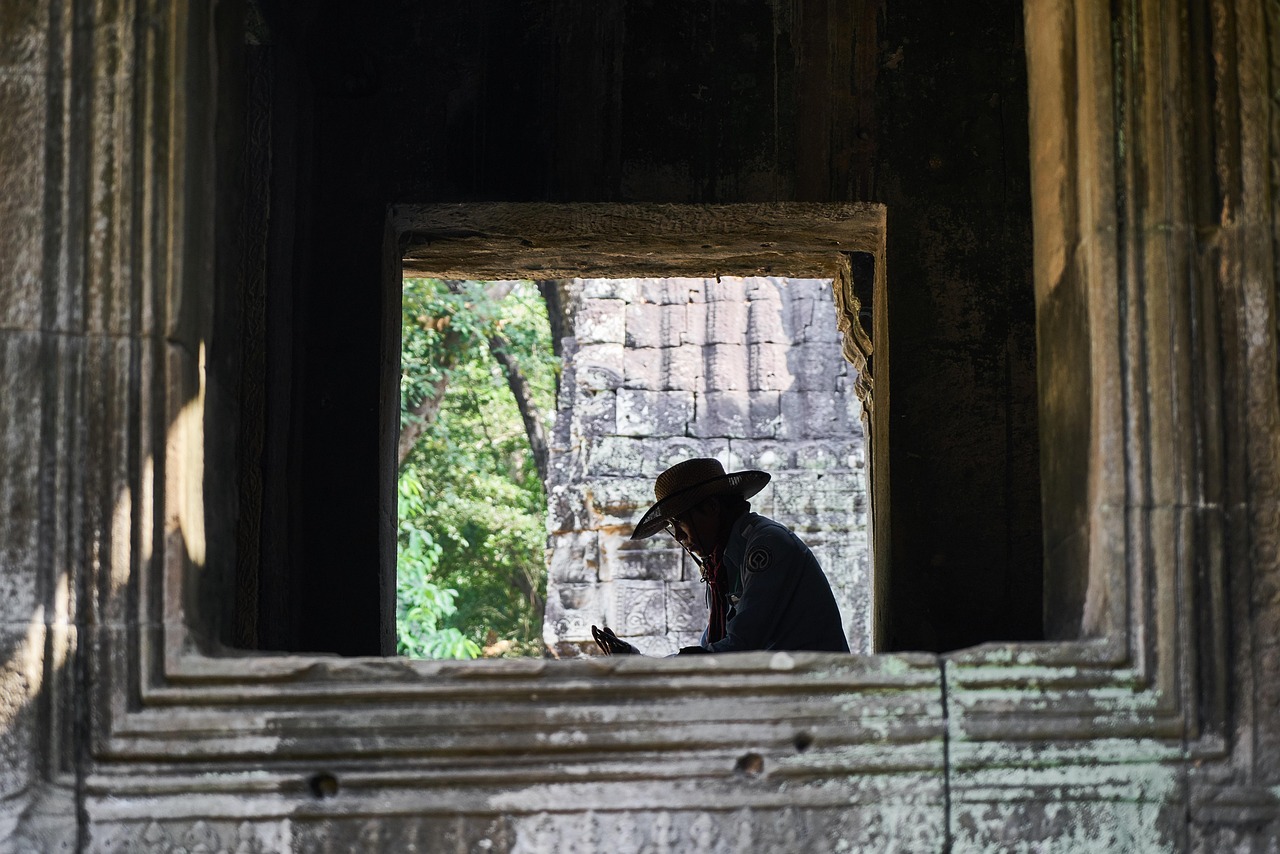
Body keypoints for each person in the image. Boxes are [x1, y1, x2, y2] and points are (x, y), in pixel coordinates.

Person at [592, 458, 849, 656]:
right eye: (672, 526)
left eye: (681, 522)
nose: (679, 536)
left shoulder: (766, 546)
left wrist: (650, 668)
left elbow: (739, 647)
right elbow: (714, 646)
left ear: (713, 508)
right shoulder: (724, 563)